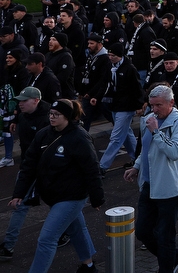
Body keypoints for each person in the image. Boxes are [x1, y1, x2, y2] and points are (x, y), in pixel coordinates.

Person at [10, 98, 102, 273]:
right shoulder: (43, 134)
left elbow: (92, 169)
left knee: (46, 238)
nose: (52, 117)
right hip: (52, 195)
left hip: (72, 197)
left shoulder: (79, 137)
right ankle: (89, 266)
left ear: (67, 117)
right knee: (77, 228)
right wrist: (18, 193)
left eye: (56, 115)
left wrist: (97, 197)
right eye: (51, 114)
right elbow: (28, 166)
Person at [123, 85, 178, 273]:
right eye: (151, 105)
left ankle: (167, 267)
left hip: (169, 187)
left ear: (171, 103)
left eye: (159, 105)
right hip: (149, 184)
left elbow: (175, 152)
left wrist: (156, 132)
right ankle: (175, 257)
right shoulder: (149, 119)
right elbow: (146, 149)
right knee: (143, 231)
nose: (154, 110)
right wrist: (136, 166)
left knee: (165, 236)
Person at [0, 88, 61, 261]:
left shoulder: (49, 117)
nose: (20, 103)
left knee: (58, 203)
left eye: (24, 100)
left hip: (48, 169)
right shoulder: (24, 114)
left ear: (35, 100)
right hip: (30, 165)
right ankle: (8, 245)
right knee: (21, 205)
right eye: (19, 100)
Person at [89, 44, 144, 174]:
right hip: (114, 105)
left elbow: (137, 88)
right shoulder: (111, 67)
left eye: (113, 55)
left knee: (116, 137)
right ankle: (137, 159)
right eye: (109, 54)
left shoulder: (129, 69)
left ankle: (102, 166)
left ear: (120, 55)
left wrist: (139, 105)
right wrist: (97, 96)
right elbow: (104, 83)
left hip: (125, 107)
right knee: (127, 134)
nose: (110, 57)